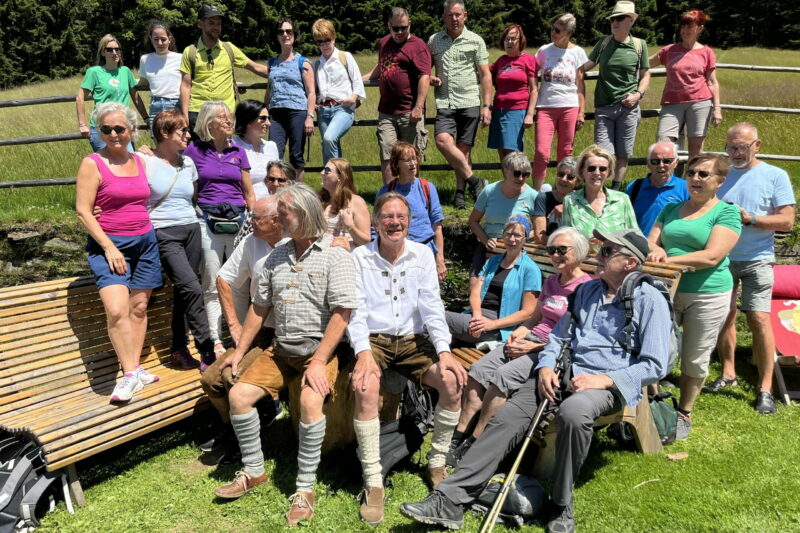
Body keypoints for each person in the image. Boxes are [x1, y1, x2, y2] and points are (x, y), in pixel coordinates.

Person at [400, 229, 670, 533]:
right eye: (601, 249)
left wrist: (603, 380)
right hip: (561, 373)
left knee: (574, 413)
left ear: (630, 262)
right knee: (506, 417)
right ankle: (449, 500)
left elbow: (656, 363)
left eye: (607, 252)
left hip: (605, 384)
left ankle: (561, 504)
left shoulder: (649, 300)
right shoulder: (588, 292)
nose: (598, 256)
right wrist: (544, 367)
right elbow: (557, 337)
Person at [212, 184, 357, 529]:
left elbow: (342, 313)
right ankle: (254, 470)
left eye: (284, 213)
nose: (277, 218)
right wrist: (240, 352)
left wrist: (321, 361)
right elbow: (259, 310)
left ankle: (305, 489)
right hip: (280, 350)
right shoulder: (275, 256)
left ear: (303, 215)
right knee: (238, 395)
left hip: (318, 353)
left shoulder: (335, 255)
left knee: (309, 404)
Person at [346, 193, 469, 524]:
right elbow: (354, 312)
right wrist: (362, 353)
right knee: (365, 388)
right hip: (375, 340)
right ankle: (373, 481)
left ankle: (438, 460)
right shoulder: (360, 257)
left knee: (451, 381)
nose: (395, 222)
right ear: (375, 222)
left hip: (413, 340)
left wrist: (444, 351)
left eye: (401, 217)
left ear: (410, 222)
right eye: (387, 216)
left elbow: (432, 307)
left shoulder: (423, 255)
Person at [448, 227, 591, 464]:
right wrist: (519, 335)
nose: (556, 255)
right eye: (552, 250)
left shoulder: (586, 289)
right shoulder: (552, 282)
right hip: (530, 339)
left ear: (580, 252)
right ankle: (459, 434)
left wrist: (533, 347)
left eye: (562, 250)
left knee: (502, 376)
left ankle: (476, 441)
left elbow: (578, 337)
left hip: (552, 350)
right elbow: (535, 318)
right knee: (479, 370)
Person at [647, 153, 741, 439]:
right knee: (654, 346)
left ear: (720, 181)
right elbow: (651, 241)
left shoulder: (726, 212)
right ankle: (654, 401)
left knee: (695, 355)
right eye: (691, 174)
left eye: (704, 174)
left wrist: (668, 259)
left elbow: (712, 256)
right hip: (667, 289)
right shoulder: (670, 208)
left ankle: (684, 412)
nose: (695, 179)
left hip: (708, 292)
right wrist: (656, 250)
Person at [75, 102, 162, 402]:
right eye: (106, 129)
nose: (113, 134)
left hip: (145, 241)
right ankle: (128, 374)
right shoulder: (92, 163)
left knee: (138, 308)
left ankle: (135, 369)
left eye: (119, 128)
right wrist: (109, 247)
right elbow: (84, 211)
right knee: (116, 309)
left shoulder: (140, 160)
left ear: (131, 131)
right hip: (109, 244)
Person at [712, 123, 796, 414]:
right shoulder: (720, 174)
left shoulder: (775, 175)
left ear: (757, 145)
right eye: (730, 147)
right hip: (721, 257)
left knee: (759, 318)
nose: (735, 153)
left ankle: (765, 388)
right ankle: (728, 373)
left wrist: (752, 220)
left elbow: (786, 221)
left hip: (757, 257)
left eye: (741, 148)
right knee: (725, 314)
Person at [199, 195, 287, 460]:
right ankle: (233, 428)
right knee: (211, 379)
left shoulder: (295, 243)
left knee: (232, 377)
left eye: (256, 218)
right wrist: (235, 325)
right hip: (259, 329)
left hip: (287, 333)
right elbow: (223, 280)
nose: (249, 223)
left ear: (276, 220)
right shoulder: (252, 242)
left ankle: (248, 432)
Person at [139, 109, 214, 370]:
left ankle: (179, 351)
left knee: (185, 293)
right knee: (192, 288)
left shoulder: (188, 163)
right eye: (182, 130)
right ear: (164, 133)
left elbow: (190, 196)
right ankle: (207, 350)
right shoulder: (143, 160)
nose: (188, 134)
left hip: (191, 228)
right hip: (163, 231)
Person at [183, 101, 255, 368]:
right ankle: (215, 339)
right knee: (212, 281)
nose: (228, 121)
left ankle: (242, 338)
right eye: (221, 117)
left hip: (238, 221)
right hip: (208, 221)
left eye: (229, 117)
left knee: (240, 281)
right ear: (208, 122)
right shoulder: (194, 151)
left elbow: (248, 192)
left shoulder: (239, 151)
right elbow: (189, 186)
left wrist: (252, 217)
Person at [428, 0, 492, 209]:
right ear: (443, 17)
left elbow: (485, 74)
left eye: (458, 14)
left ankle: (459, 194)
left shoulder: (475, 41)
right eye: (449, 15)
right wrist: (430, 77)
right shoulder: (434, 41)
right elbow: (424, 69)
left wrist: (486, 105)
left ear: (465, 15)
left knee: (463, 151)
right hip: (445, 101)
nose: (454, 19)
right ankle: (476, 181)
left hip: (469, 100)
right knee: (442, 140)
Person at [582, 1, 650, 188]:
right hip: (604, 107)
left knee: (623, 154)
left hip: (629, 108)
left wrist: (638, 95)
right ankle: (600, 189)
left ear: (631, 21)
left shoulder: (639, 45)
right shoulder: (603, 43)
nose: (615, 22)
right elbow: (586, 65)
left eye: (620, 18)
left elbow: (645, 74)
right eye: (613, 19)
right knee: (603, 154)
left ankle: (616, 190)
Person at [445, 216, 541, 346]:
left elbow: (528, 312)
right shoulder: (493, 261)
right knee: (437, 337)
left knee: (436, 317)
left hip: (499, 325)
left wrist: (492, 324)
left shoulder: (530, 269)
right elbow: (475, 292)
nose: (512, 239)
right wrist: (477, 315)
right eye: (508, 234)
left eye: (517, 235)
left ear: (525, 239)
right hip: (475, 318)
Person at [362, 7, 432, 184]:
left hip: (410, 112)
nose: (400, 32)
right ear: (388, 26)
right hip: (386, 111)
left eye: (404, 28)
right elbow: (381, 67)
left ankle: (410, 197)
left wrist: (418, 107)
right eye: (396, 28)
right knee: (387, 154)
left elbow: (424, 76)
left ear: (410, 25)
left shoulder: (418, 46)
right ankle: (390, 196)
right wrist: (358, 80)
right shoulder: (384, 42)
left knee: (410, 158)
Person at [179, 3, 268, 135]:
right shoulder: (190, 51)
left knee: (224, 153)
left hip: (225, 113)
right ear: (200, 24)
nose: (216, 27)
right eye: (211, 23)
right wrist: (185, 115)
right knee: (200, 154)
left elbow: (255, 67)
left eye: (219, 23)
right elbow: (185, 86)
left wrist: (283, 72)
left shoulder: (229, 48)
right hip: (198, 112)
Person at [649, 10, 722, 158]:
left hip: (700, 103)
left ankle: (691, 181)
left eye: (689, 27)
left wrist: (717, 109)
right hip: (671, 104)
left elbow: (713, 82)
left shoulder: (706, 52)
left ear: (700, 28)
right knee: (663, 145)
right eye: (683, 27)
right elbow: (646, 63)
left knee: (696, 151)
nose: (685, 30)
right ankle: (666, 180)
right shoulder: (669, 50)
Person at [533, 13, 588, 191]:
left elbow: (580, 84)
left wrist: (581, 111)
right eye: (552, 28)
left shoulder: (577, 52)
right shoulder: (543, 51)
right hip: (545, 107)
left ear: (568, 33)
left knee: (565, 153)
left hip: (569, 106)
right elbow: (532, 76)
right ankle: (536, 193)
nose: (553, 32)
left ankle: (563, 191)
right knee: (542, 152)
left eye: (557, 30)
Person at [376, 142, 447, 280]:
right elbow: (376, 227)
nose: (413, 163)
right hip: (395, 254)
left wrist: (440, 259)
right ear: (396, 164)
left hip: (425, 251)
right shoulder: (386, 191)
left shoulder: (427, 187)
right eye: (407, 160)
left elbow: (437, 227)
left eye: (415, 158)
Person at [467, 151, 537, 278]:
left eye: (525, 175)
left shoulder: (532, 195)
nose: (521, 178)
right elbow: (473, 221)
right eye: (516, 173)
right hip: (490, 245)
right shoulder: (489, 191)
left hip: (518, 247)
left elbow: (541, 227)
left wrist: (524, 238)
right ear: (506, 171)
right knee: (475, 282)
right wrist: (485, 240)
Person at [265, 18, 316, 183]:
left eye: (289, 31)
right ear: (277, 36)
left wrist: (310, 116)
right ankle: (276, 191)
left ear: (294, 35)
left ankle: (297, 193)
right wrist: (265, 113)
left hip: (297, 112)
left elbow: (311, 92)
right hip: (276, 113)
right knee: (274, 153)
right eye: (281, 32)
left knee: (296, 155)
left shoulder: (303, 62)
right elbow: (269, 90)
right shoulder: (272, 62)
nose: (285, 35)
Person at [76, 34, 147, 152]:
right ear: (103, 53)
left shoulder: (125, 71)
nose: (114, 52)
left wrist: (146, 117)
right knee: (106, 166)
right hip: (102, 128)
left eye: (117, 49)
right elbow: (80, 97)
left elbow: (135, 96)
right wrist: (82, 124)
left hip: (123, 126)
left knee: (127, 163)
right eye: (109, 50)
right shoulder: (94, 72)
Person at [311, 19, 366, 163]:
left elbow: (357, 81)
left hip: (343, 109)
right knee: (328, 146)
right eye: (319, 42)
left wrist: (353, 98)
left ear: (334, 38)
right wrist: (314, 103)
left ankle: (334, 181)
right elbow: (312, 89)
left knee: (329, 138)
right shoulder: (316, 64)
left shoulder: (345, 57)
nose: (324, 45)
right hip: (323, 111)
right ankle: (336, 182)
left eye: (327, 40)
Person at [562, 144, 638, 240]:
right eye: (591, 168)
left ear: (608, 172)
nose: (597, 172)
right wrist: (585, 245)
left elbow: (635, 236)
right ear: (582, 171)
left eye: (602, 169)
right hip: (582, 254)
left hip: (615, 254)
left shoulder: (622, 200)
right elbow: (565, 238)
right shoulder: (570, 200)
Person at [487, 24, 537, 162]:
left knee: (512, 151)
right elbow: (485, 74)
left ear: (520, 41)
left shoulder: (528, 59)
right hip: (498, 110)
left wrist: (530, 114)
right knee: (501, 151)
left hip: (516, 110)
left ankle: (518, 181)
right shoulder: (501, 61)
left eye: (513, 39)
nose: (509, 42)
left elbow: (534, 89)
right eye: (507, 39)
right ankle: (508, 183)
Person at [625, 141, 690, 235]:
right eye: (655, 161)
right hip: (639, 246)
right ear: (648, 163)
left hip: (670, 247)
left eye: (667, 161)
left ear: (676, 162)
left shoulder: (686, 188)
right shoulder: (634, 187)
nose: (661, 165)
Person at [233, 160, 297, 247]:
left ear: (291, 183)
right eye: (271, 179)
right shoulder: (257, 210)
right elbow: (239, 243)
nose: (275, 184)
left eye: (281, 180)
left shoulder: (297, 212)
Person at [138, 20, 183, 132]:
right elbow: (143, 81)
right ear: (150, 39)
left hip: (176, 105)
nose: (160, 43)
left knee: (178, 144)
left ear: (169, 39)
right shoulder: (145, 59)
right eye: (156, 39)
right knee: (159, 144)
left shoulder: (181, 58)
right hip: (155, 106)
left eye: (163, 39)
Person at [232, 99, 280, 201]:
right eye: (263, 118)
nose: (268, 123)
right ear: (248, 120)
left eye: (269, 118)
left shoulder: (271, 147)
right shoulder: (232, 147)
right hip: (242, 205)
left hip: (271, 205)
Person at [319, 158, 371, 249]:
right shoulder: (319, 200)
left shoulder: (356, 202)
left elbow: (365, 242)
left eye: (327, 170)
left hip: (346, 256)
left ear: (341, 176)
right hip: (322, 256)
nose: (322, 172)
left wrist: (350, 226)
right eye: (323, 169)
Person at [533, 156, 579, 243]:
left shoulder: (580, 200)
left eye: (570, 177)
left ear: (577, 182)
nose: (564, 179)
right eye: (561, 174)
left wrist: (566, 206)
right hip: (548, 248)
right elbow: (540, 237)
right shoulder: (543, 198)